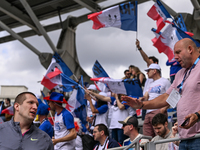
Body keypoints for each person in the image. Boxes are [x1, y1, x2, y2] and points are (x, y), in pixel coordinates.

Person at [122, 38, 200, 149]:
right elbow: (167, 97)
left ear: (190, 49)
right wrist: (142, 105)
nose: (175, 57)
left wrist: (198, 115)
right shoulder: (180, 74)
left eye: (178, 52)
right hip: (184, 139)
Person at [142, 63, 171, 138]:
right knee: (147, 138)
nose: (147, 73)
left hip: (158, 110)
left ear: (154, 71)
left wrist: (163, 109)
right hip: (148, 112)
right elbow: (146, 97)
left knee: (160, 136)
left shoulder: (165, 81)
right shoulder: (150, 83)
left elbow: (172, 96)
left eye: (149, 70)